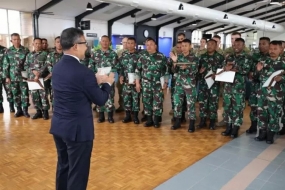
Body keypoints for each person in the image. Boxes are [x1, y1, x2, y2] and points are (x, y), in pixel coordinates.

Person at [49, 27, 114, 190]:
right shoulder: (83, 72)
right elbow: (100, 99)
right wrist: (107, 83)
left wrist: (93, 80)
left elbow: (73, 86)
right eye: (84, 43)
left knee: (64, 166)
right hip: (77, 131)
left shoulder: (57, 67)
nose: (87, 47)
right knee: (78, 173)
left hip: (59, 127)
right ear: (75, 46)